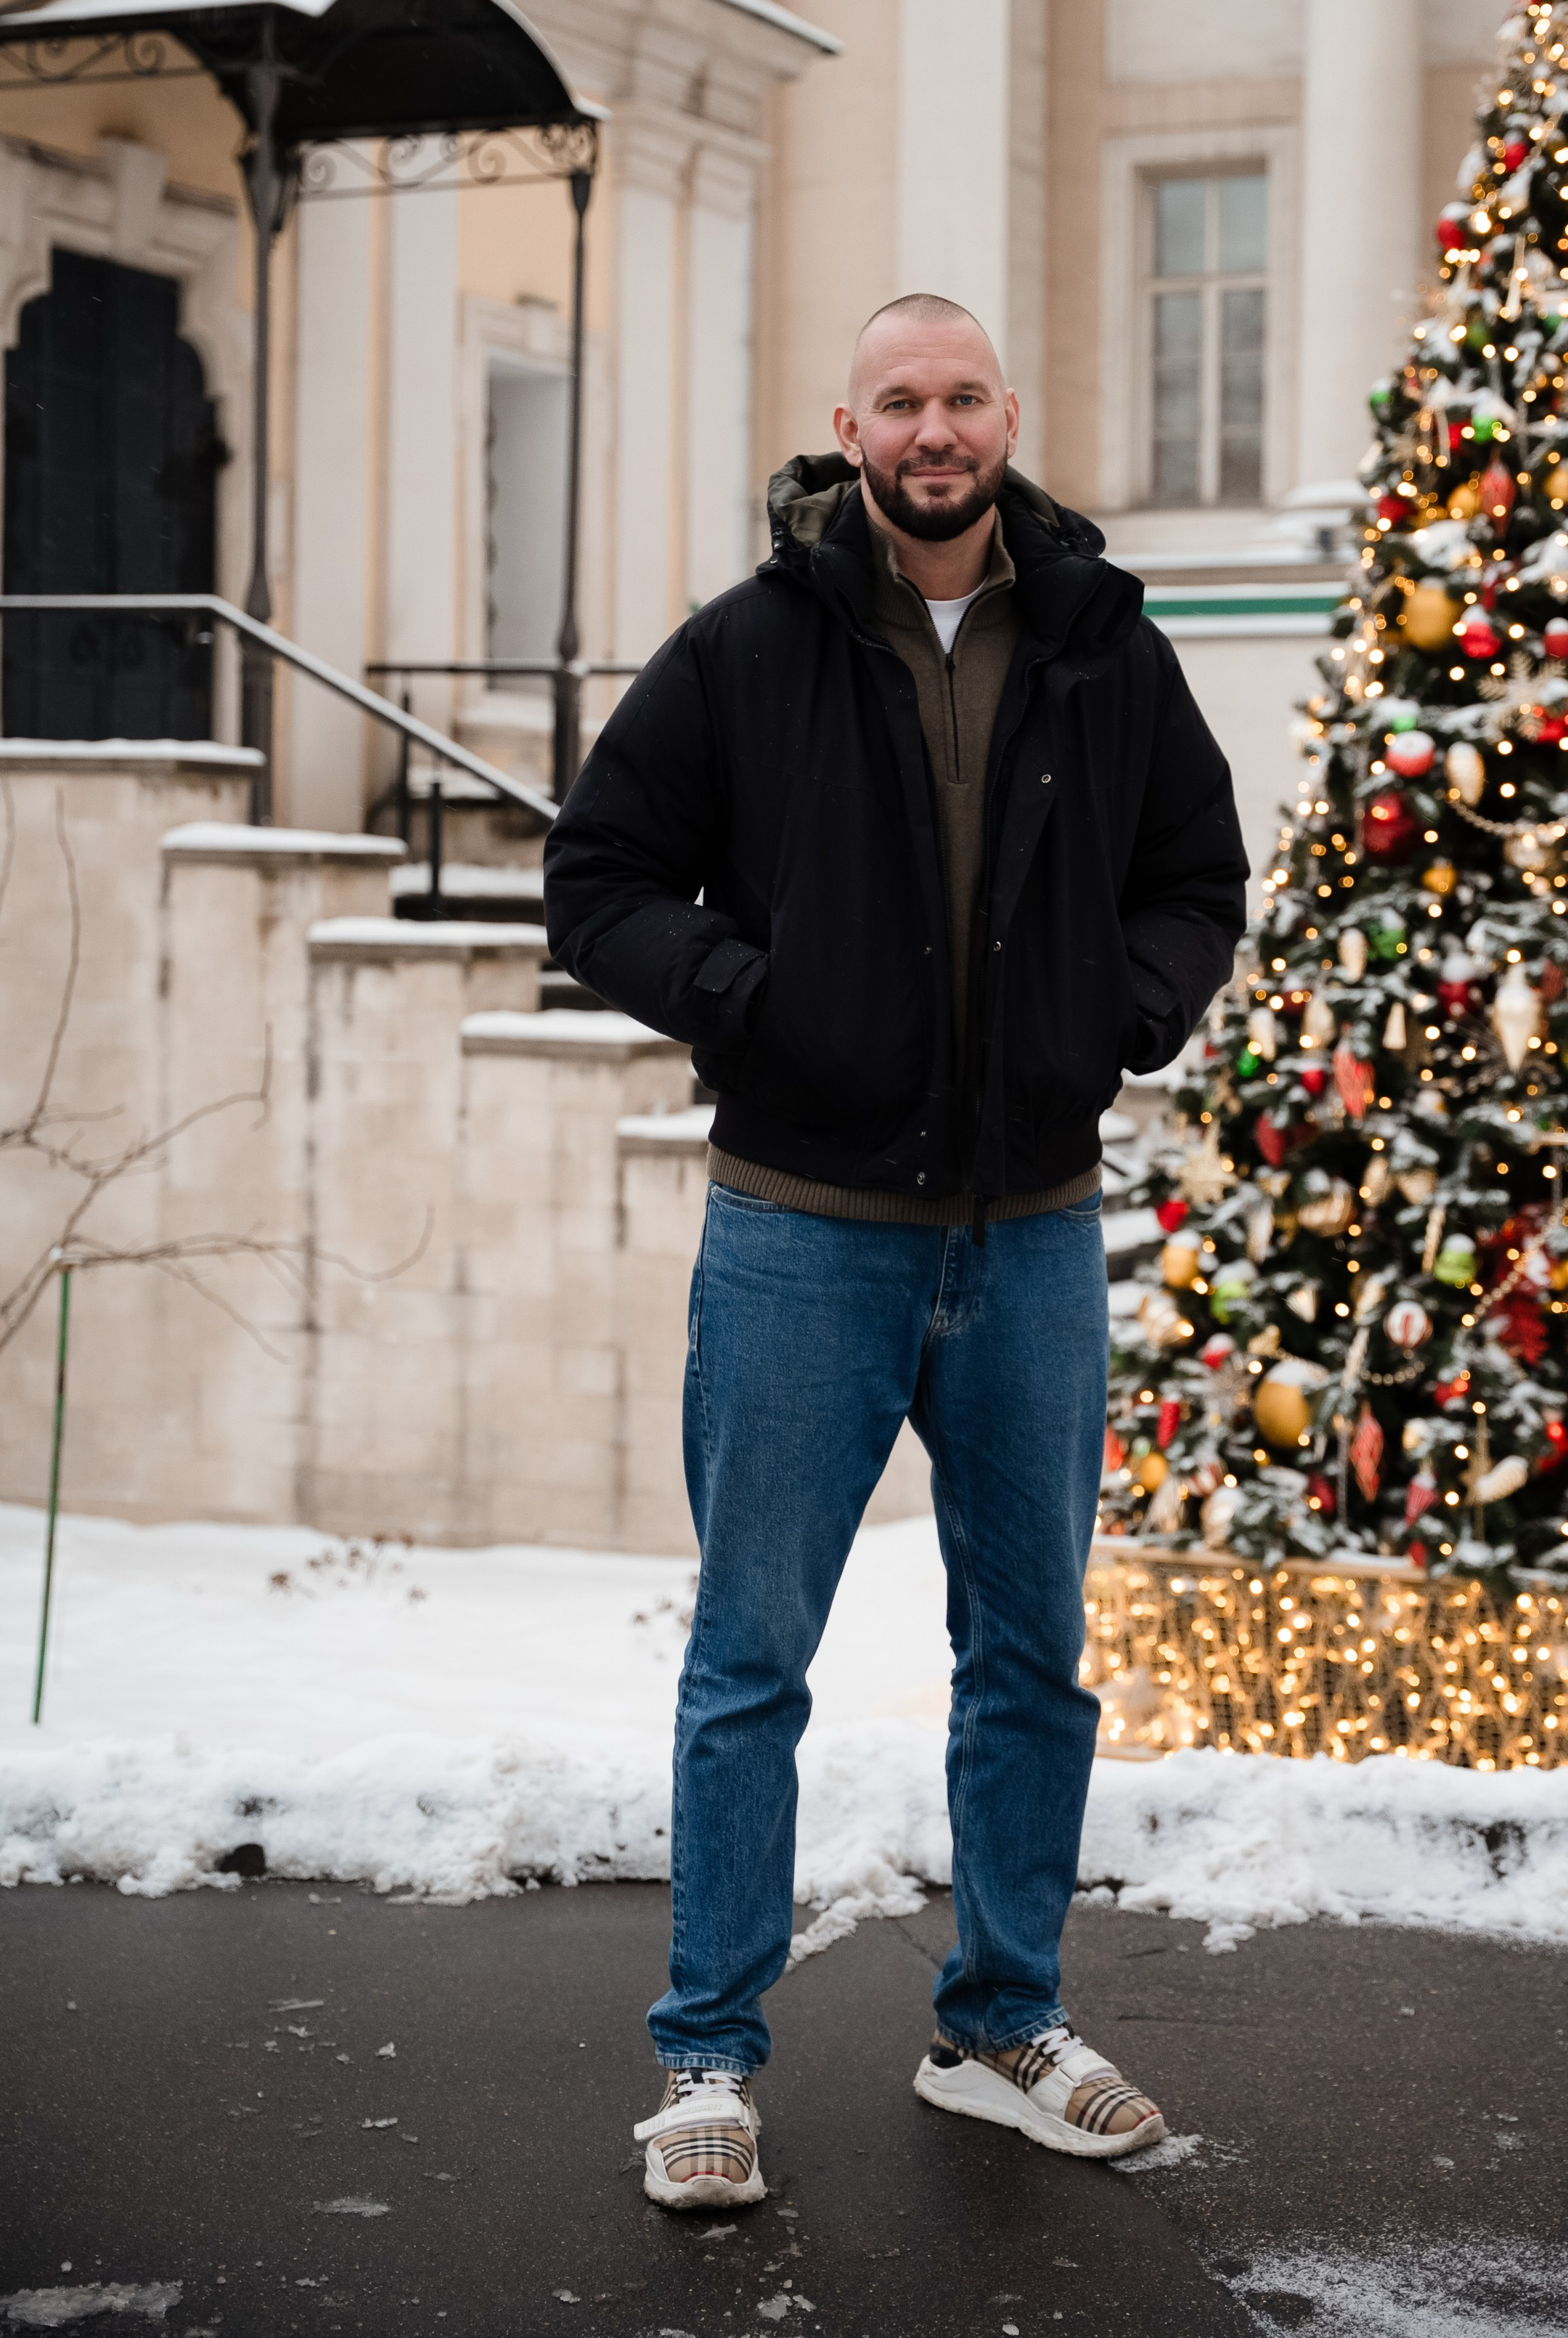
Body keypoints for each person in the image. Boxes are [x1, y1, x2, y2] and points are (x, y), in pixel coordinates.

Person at [544, 295, 1247, 2207]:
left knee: (1030, 1653)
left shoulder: (1106, 644)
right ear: (847, 427)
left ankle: (1005, 2024)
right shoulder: (753, 647)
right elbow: (597, 877)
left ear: (1008, 415)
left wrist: (1127, 1006)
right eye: (901, 402)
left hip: (1028, 1236)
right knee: (749, 1657)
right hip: (802, 1235)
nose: (935, 431)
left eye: (963, 398)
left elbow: (1199, 874)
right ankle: (706, 2064)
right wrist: (747, 997)